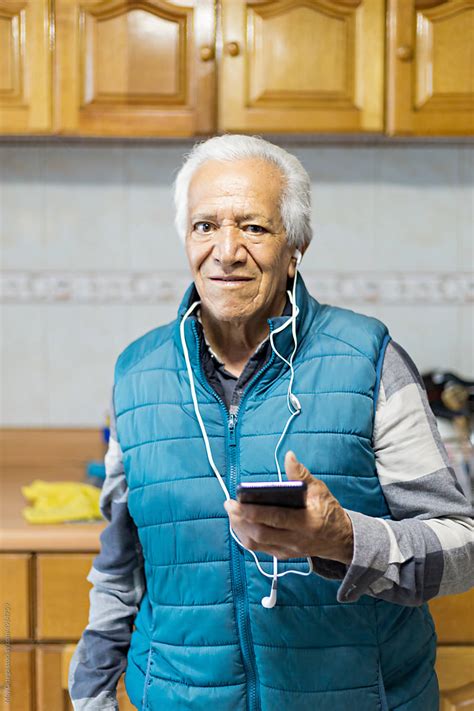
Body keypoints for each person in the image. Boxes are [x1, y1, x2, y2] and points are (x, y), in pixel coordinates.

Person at [68, 135, 474, 711]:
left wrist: (345, 539)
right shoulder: (139, 372)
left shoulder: (369, 358)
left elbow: (463, 546)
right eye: (205, 226)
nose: (226, 250)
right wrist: (91, 699)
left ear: (296, 247)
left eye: (254, 228)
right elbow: (118, 570)